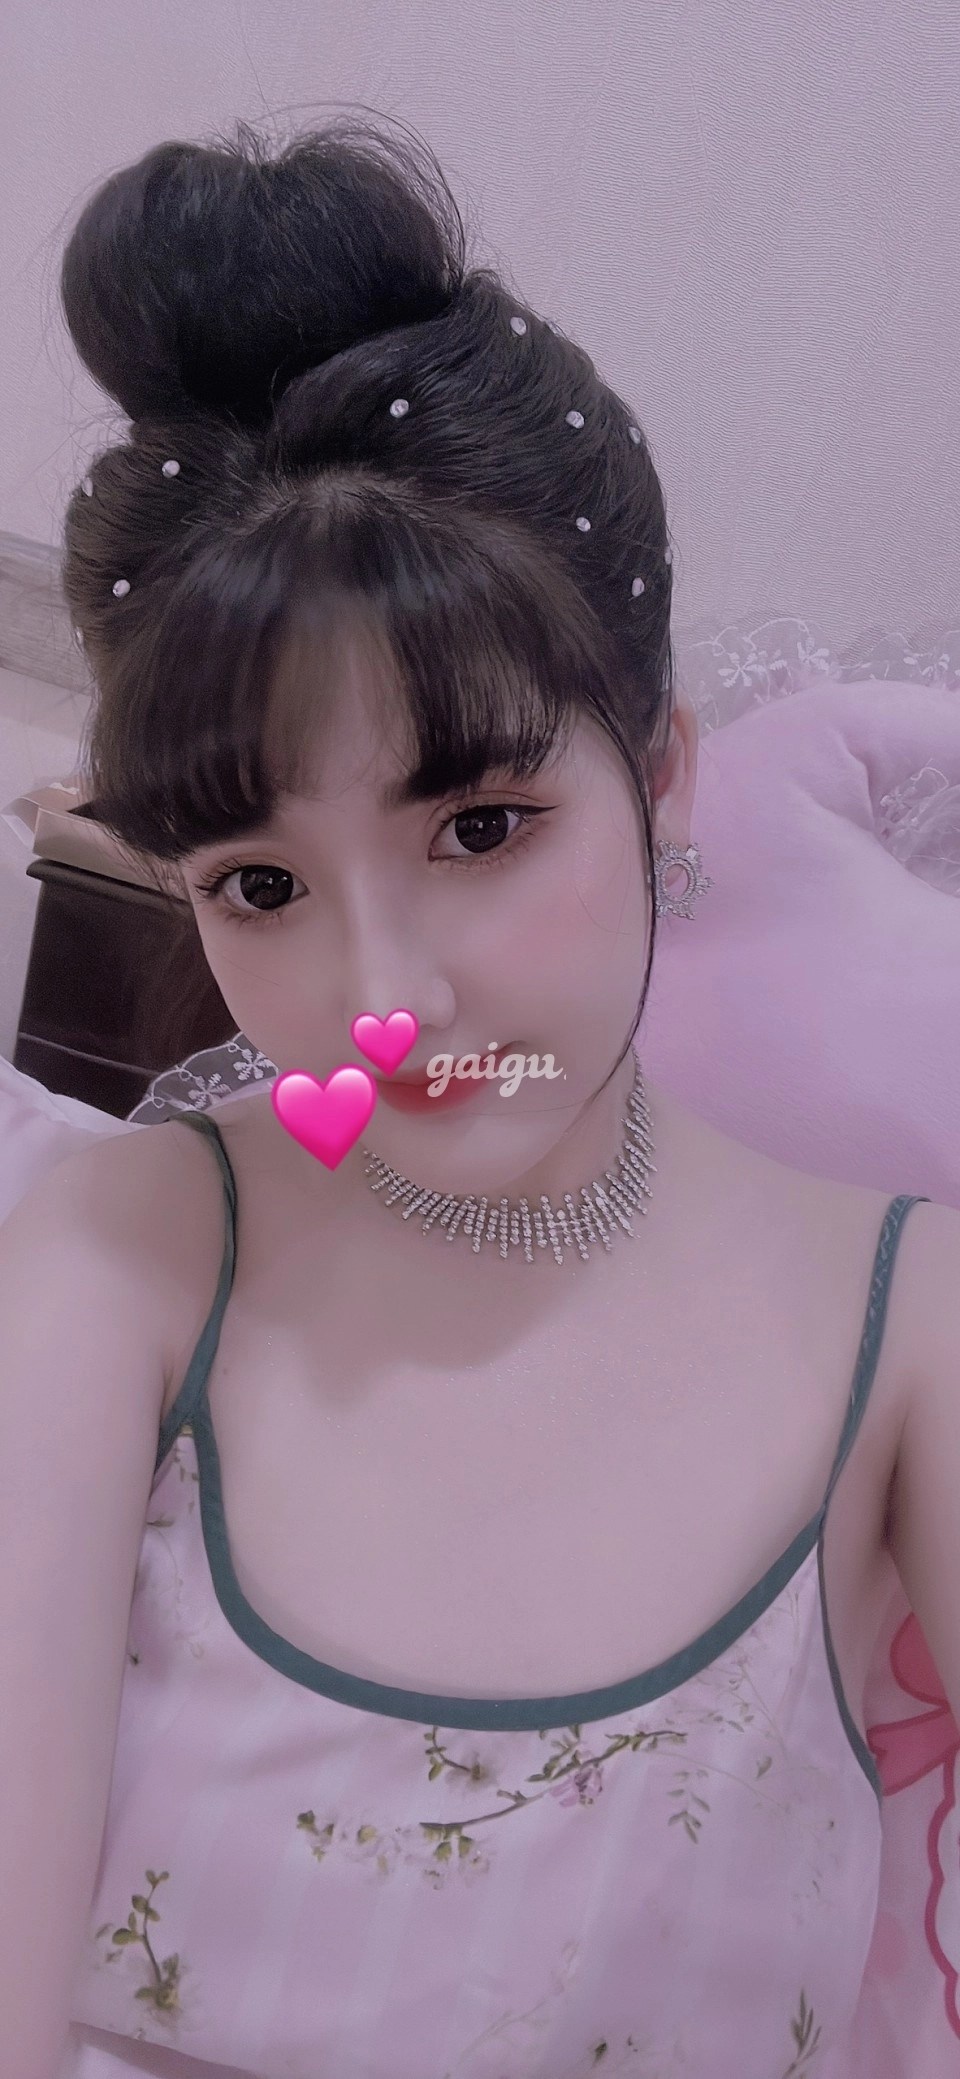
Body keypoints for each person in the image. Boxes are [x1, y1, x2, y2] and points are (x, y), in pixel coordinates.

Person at [1, 113, 957, 2079]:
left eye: (484, 825)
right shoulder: (131, 1247)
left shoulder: (911, 1321)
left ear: (662, 771)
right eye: (260, 885)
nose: (384, 1001)